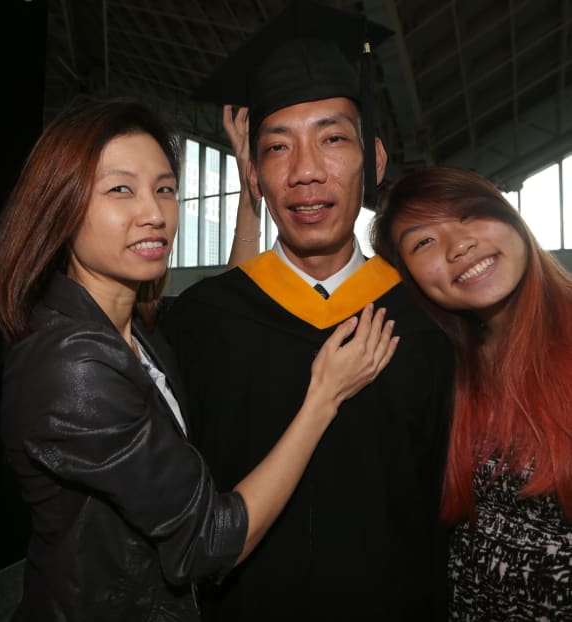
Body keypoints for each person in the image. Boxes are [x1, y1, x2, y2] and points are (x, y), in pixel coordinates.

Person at [0, 97, 399, 621]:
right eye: (120, 190)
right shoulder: (74, 369)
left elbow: (225, 310)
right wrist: (324, 396)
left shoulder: (132, 327)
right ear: (60, 207)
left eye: (165, 189)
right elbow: (209, 541)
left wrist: (252, 201)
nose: (154, 214)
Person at [158, 1, 456, 620]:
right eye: (277, 148)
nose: (307, 172)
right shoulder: (201, 324)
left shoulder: (429, 324)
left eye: (332, 139)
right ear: (257, 176)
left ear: (373, 161)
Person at [371, 165, 572, 621]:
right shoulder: (441, 376)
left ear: (511, 218)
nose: (458, 245)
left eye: (467, 214)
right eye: (423, 241)